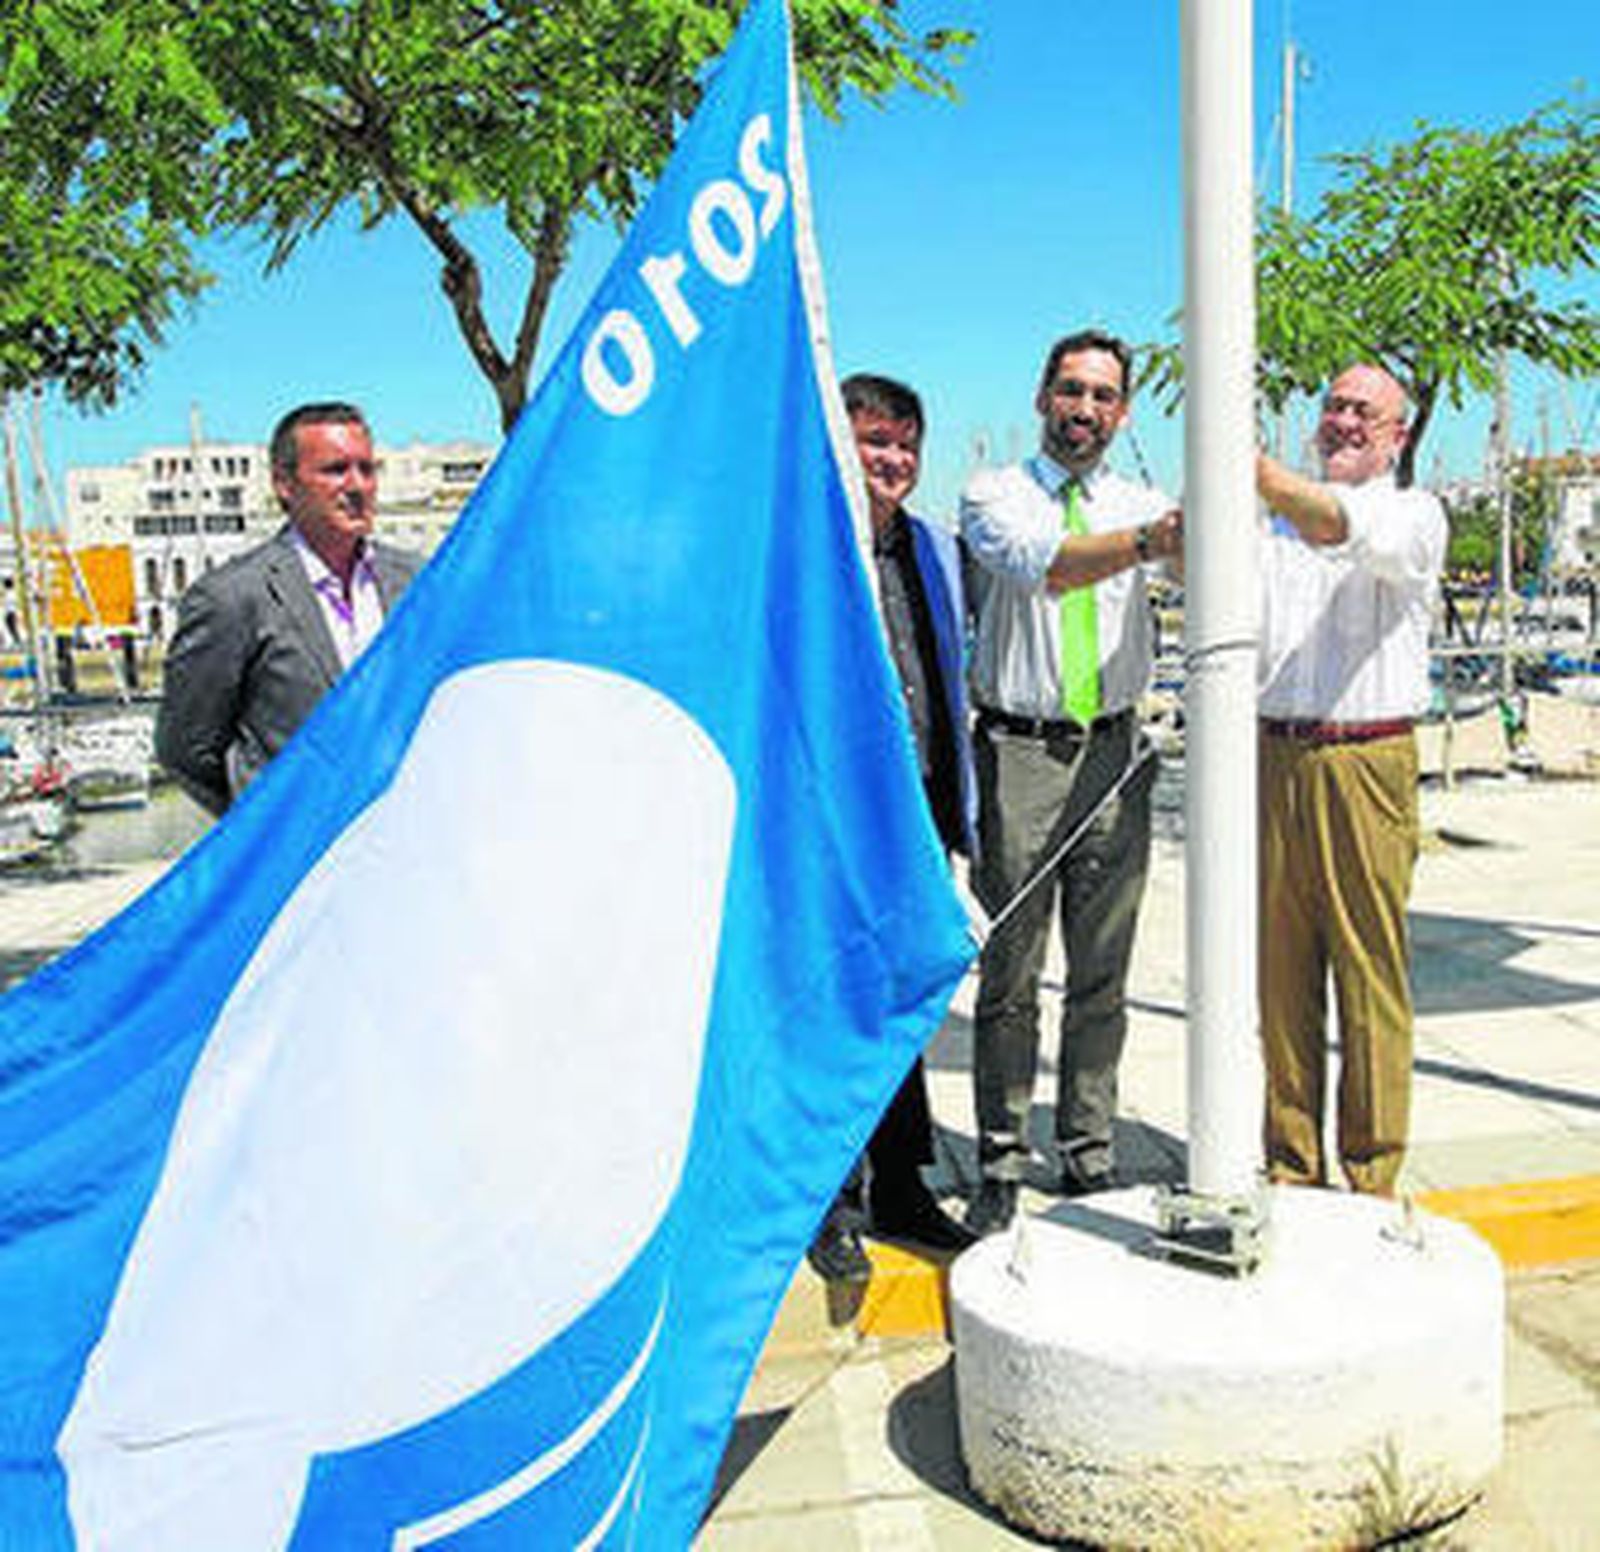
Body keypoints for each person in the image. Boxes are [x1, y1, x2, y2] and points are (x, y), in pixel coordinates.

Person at [959, 330, 1181, 1236]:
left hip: (1116, 757)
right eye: (1072, 390)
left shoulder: (1143, 502)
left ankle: (1089, 1153)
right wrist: (1153, 541)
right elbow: (1048, 566)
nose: (1085, 408)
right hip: (1020, 758)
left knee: (1102, 973)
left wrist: (1200, 532)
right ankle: (1002, 1159)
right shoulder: (994, 495)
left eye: (1103, 395)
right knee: (1011, 975)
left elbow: (1201, 572)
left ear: (1122, 414)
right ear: (1043, 396)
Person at [1255, 363, 1447, 1196]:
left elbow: (1340, 524)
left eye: (1364, 410)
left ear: (1397, 436)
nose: (1343, 420)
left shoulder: (1413, 514)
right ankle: (1292, 1168)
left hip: (1367, 762)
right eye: (1333, 405)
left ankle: (1371, 1178)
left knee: (1369, 976)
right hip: (1273, 759)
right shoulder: (1267, 529)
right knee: (1280, 977)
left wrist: (1254, 471)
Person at [806, 373, 979, 1281]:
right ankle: (832, 1202)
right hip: (834, 822)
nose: (893, 459)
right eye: (875, 440)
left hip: (921, 812)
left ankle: (904, 1188)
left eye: (906, 444)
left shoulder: (934, 551)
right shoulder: (808, 550)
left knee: (905, 1004)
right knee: (838, 1008)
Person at [157, 402, 422, 816]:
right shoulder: (233, 597)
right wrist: (264, 823)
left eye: (367, 469)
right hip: (301, 847)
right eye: (336, 470)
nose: (358, 485)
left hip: (404, 833)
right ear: (284, 484)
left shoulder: (416, 581)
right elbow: (184, 749)